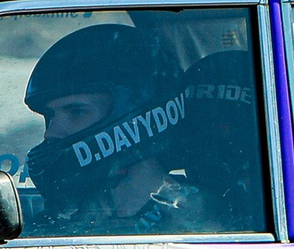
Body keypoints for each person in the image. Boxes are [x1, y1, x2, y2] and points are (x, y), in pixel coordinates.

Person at [22, 26, 206, 236]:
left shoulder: (195, 224)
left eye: (75, 112)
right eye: (50, 116)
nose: (51, 133)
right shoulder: (68, 217)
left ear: (135, 116)